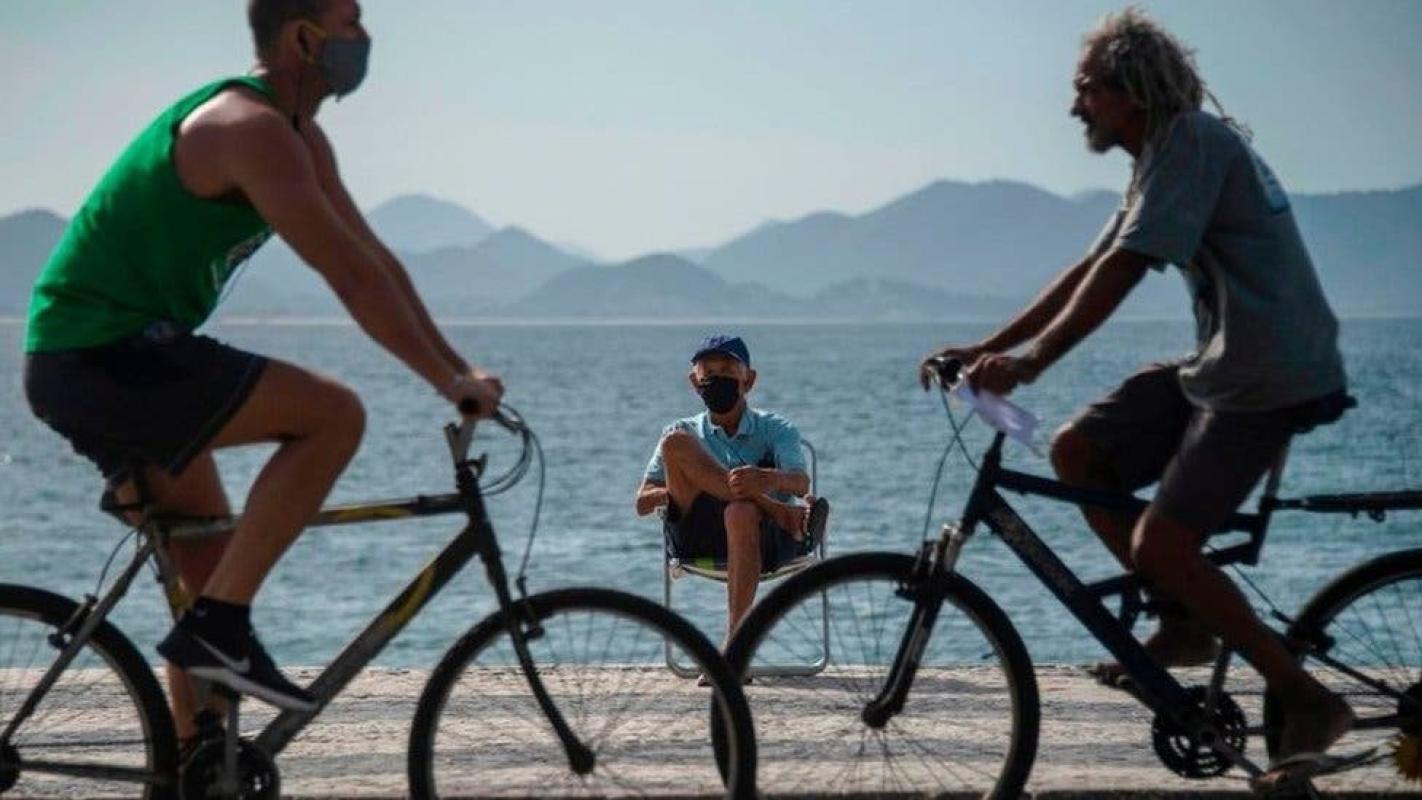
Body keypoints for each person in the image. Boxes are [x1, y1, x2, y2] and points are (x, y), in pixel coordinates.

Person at [22, 0, 502, 739]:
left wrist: (460, 368)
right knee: (334, 416)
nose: (365, 38)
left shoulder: (299, 137)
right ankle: (217, 630)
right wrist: (447, 384)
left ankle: (195, 764)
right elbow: (350, 278)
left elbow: (376, 261)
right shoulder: (250, 129)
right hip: (103, 353)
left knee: (211, 574)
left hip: (106, 356)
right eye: (350, 22)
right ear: (303, 38)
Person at [918, 7, 1351, 787]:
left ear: (1131, 90)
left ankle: (1306, 697)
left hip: (1269, 375)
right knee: (1079, 450)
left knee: (1162, 545)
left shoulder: (1189, 142)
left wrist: (1031, 363)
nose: (1074, 106)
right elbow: (1092, 266)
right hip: (1223, 365)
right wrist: (988, 349)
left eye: (1086, 88)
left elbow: (1125, 270)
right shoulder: (1160, 156)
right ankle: (1184, 621)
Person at [636, 335, 829, 646]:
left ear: (748, 380)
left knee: (740, 510)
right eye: (709, 373)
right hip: (698, 538)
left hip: (761, 539)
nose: (717, 379)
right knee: (676, 442)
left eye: (727, 371)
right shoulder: (684, 430)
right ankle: (783, 512)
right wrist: (690, 483)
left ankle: (735, 643)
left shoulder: (775, 428)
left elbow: (800, 482)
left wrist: (767, 479)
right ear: (695, 382)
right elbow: (642, 503)